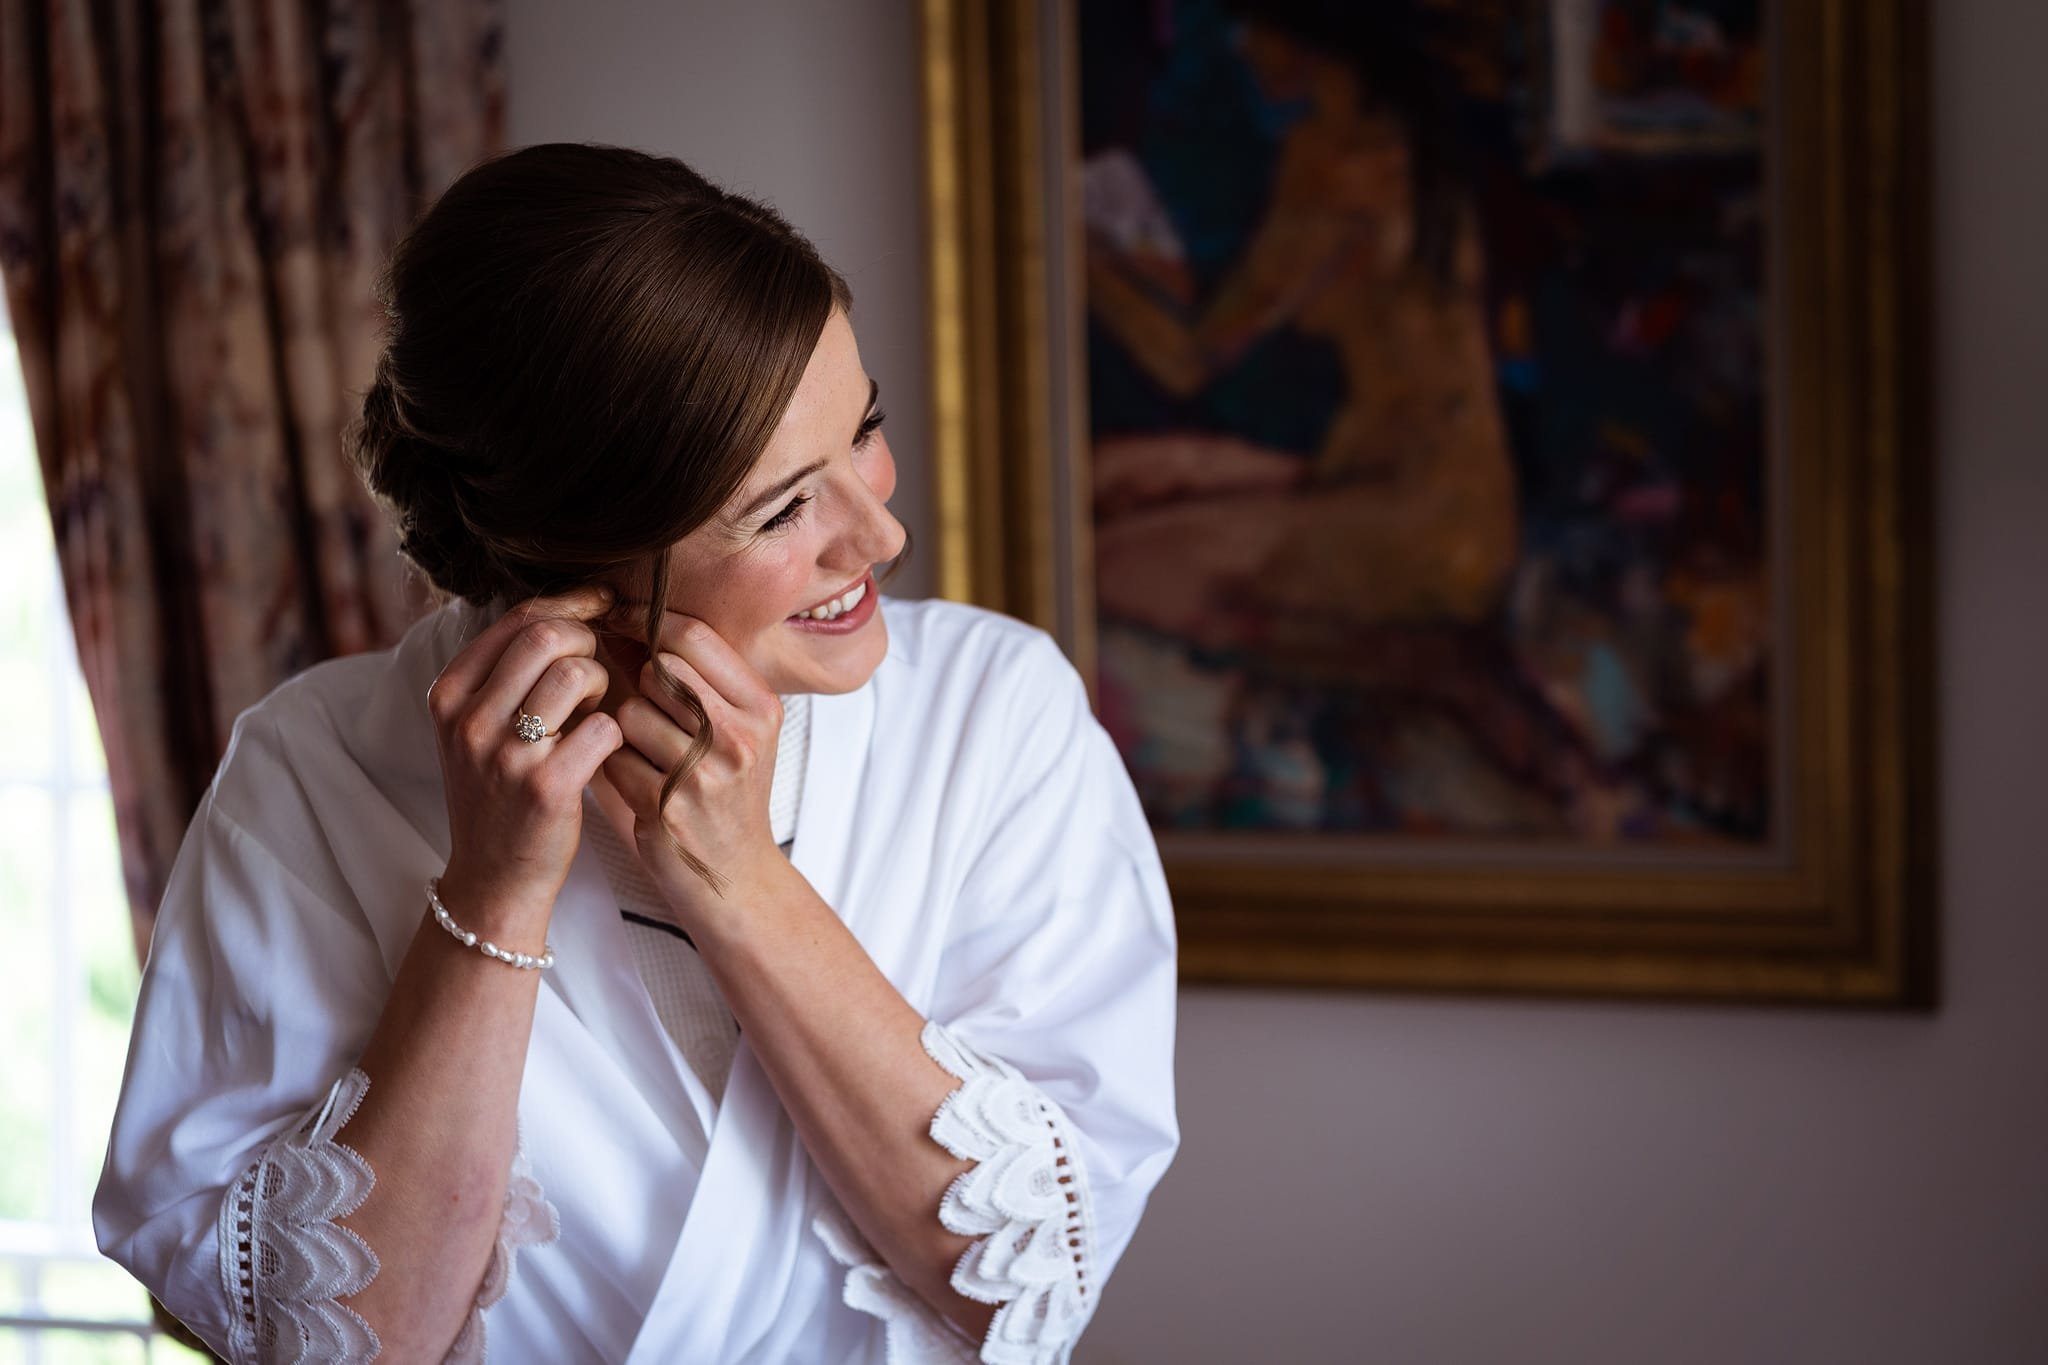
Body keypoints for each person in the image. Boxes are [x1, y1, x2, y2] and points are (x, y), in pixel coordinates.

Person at [91, 142, 1181, 1364]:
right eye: (781, 510)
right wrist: (492, 891)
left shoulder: (995, 715)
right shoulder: (313, 771)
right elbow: (343, 1343)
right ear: (569, 560)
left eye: (863, 431)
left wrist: (740, 880)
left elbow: (1026, 1282)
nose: (881, 531)